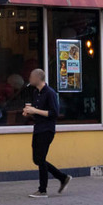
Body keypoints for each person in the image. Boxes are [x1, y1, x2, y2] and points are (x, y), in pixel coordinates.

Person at [21, 69, 71, 198]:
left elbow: (54, 113)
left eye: (31, 77)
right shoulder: (35, 92)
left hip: (47, 129)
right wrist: (29, 112)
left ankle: (42, 190)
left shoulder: (50, 93)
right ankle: (62, 177)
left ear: (38, 78)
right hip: (38, 128)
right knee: (37, 159)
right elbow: (37, 111)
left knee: (40, 159)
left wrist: (35, 111)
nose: (29, 79)